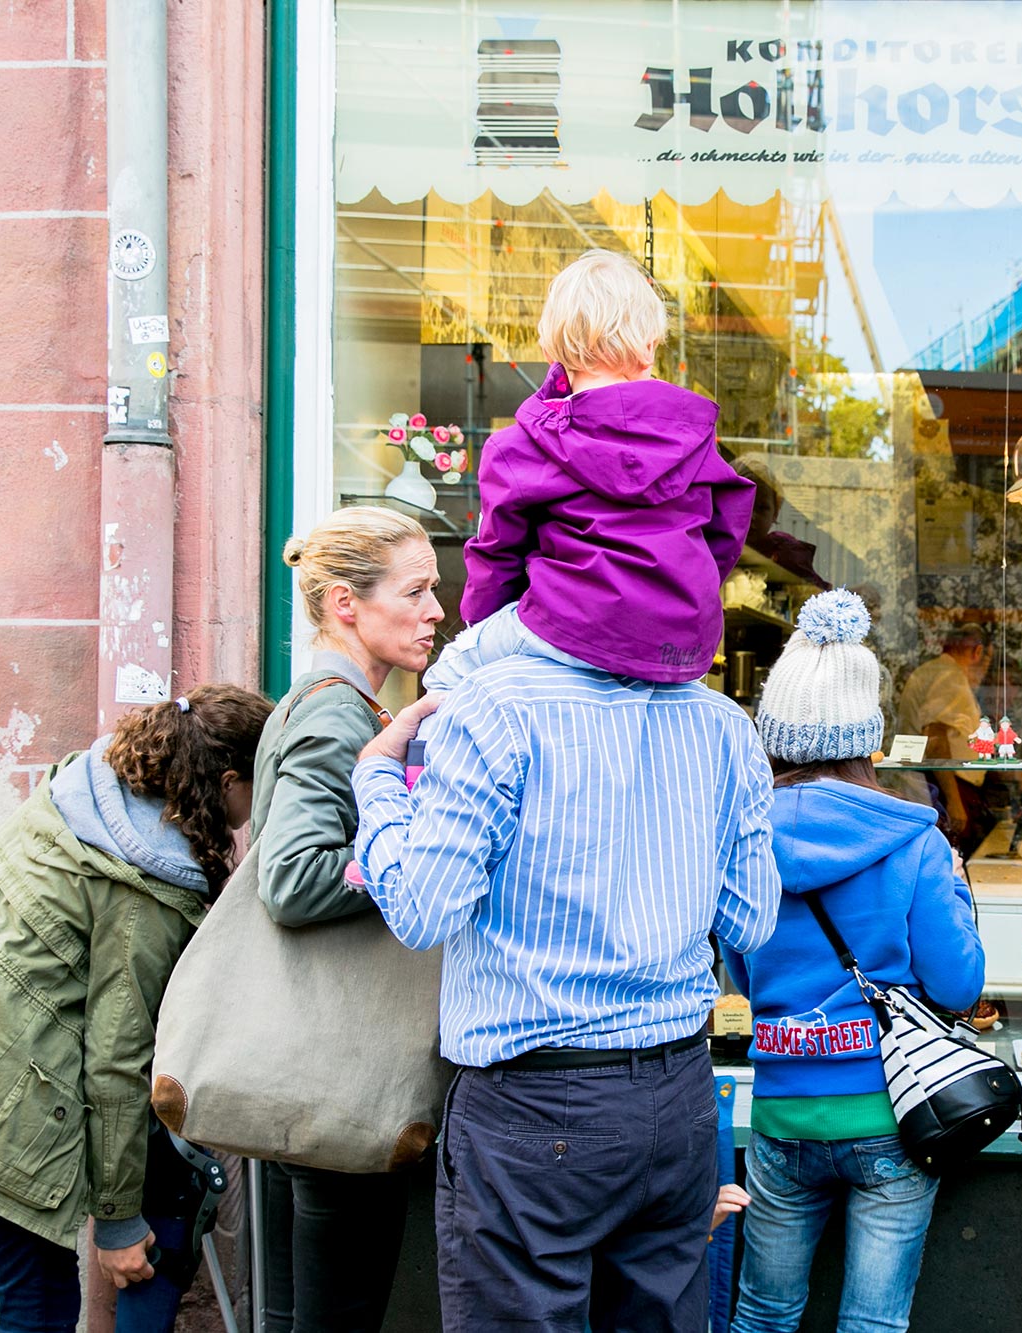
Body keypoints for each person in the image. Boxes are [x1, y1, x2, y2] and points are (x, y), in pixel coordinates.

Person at [348, 567, 783, 1333]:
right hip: (676, 1095)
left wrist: (378, 782)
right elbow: (750, 923)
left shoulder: (493, 706)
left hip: (534, 1101)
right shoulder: (721, 722)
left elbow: (421, 911)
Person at [0, 686, 273, 1333]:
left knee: (30, 1296)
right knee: (38, 1307)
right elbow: (118, 1062)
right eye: (259, 787)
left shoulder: (97, 793)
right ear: (228, 780)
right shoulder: (146, 879)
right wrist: (120, 1222)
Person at [721, 589, 984, 1333]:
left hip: (781, 1113)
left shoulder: (741, 841)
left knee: (764, 1313)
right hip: (893, 1116)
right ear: (866, 733)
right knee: (873, 1323)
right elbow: (960, 984)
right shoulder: (914, 840)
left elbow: (742, 977)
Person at [254, 504, 446, 1332]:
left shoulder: (338, 704)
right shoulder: (338, 711)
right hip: (340, 1067)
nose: (438, 610)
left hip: (321, 1062)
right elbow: (293, 880)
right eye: (418, 591)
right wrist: (410, 865)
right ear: (344, 603)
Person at [433, 246, 755, 690]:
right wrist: (678, 592)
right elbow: (727, 526)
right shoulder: (693, 437)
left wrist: (486, 626)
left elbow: (496, 557)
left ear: (551, 343)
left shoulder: (519, 446)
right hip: (680, 642)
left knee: (450, 673)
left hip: (569, 626)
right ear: (649, 346)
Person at [891, 622, 995, 859]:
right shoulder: (949, 676)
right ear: (977, 652)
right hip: (943, 788)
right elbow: (936, 738)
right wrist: (954, 801)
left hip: (937, 785)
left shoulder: (937, 672)